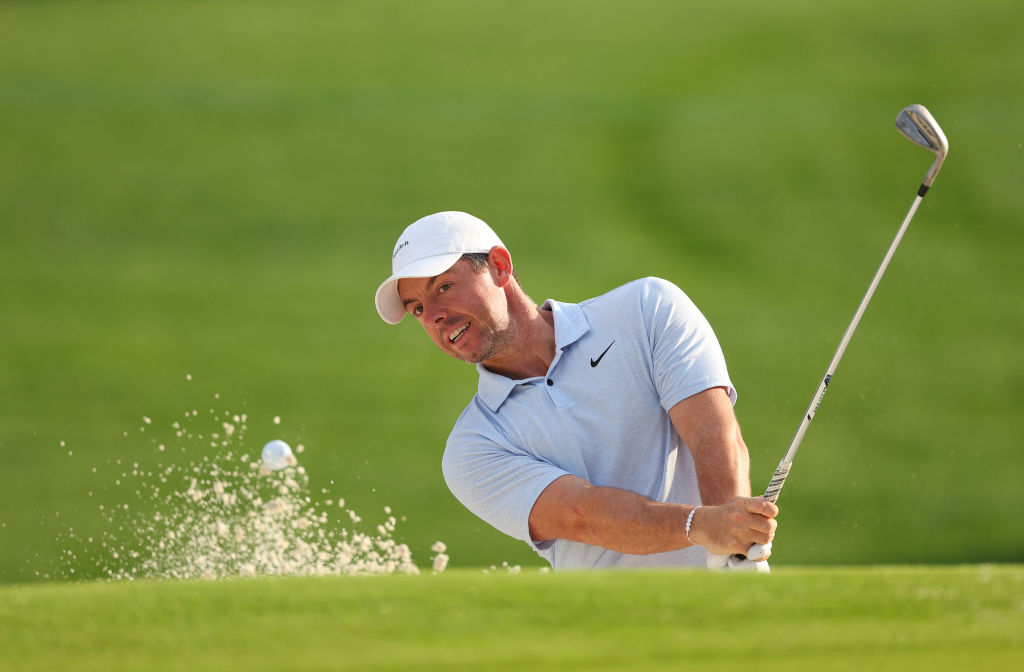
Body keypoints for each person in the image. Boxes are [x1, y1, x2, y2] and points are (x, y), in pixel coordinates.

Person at [374, 211, 778, 571]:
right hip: (607, 639)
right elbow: (580, 513)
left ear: (499, 266)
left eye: (443, 287)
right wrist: (704, 526)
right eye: (418, 309)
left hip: (727, 606)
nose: (435, 317)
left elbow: (712, 432)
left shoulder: (647, 308)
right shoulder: (472, 448)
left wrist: (734, 549)